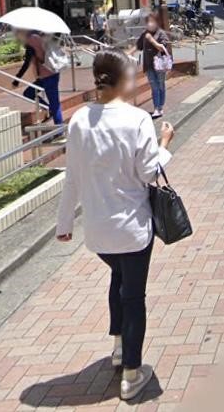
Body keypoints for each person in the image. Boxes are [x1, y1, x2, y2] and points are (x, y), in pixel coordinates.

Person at [56, 48, 174, 401]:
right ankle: (132, 373)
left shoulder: (78, 120)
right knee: (133, 294)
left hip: (98, 231)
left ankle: (121, 347)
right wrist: (165, 142)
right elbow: (150, 173)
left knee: (118, 278)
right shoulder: (136, 120)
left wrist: (64, 222)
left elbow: (71, 177)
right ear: (125, 79)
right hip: (133, 227)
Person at [13, 30, 64, 125]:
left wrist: (17, 79)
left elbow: (26, 63)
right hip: (52, 73)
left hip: (47, 76)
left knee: (54, 104)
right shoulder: (44, 38)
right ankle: (49, 109)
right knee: (29, 93)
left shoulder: (31, 43)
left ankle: (60, 130)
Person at [136, 13, 172, 119]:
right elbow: (139, 46)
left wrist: (151, 40)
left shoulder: (161, 34)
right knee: (154, 87)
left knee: (160, 86)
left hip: (160, 65)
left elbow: (162, 47)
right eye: (148, 22)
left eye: (152, 21)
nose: (150, 24)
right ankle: (156, 107)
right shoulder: (145, 34)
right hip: (148, 65)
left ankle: (160, 107)